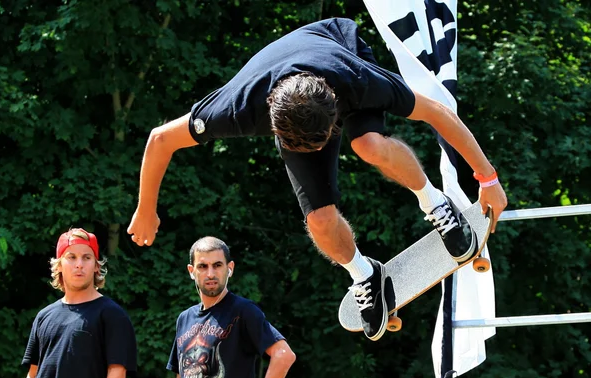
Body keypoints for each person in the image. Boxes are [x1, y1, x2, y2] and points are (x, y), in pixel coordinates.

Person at [127, 18, 508, 341]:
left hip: (339, 46)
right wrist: (146, 208)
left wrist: (487, 179)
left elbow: (439, 113)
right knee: (318, 219)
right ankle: (364, 273)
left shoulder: (360, 80)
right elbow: (160, 140)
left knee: (369, 144)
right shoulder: (237, 108)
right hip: (283, 93)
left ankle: (436, 204)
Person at [167, 236, 295, 378]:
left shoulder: (243, 311)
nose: (211, 273)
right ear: (192, 272)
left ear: (230, 268)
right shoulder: (184, 319)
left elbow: (284, 355)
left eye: (217, 265)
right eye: (203, 266)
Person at [19, 228, 137, 378]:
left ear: (97, 266)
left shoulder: (112, 315)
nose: (79, 264)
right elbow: (32, 376)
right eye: (71, 257)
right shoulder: (43, 316)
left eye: (87, 257)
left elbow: (116, 371)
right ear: (59, 265)